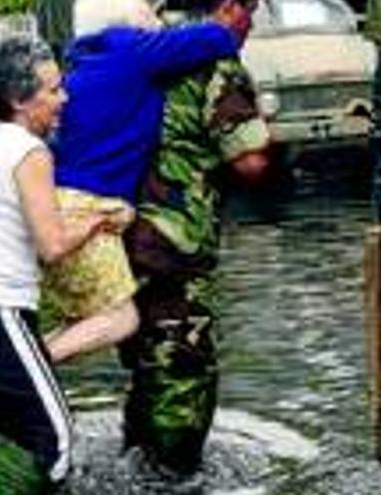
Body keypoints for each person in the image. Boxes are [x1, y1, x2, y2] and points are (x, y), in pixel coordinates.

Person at [0, 38, 124, 493]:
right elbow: (53, 245)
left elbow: (25, 225)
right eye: (54, 90)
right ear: (20, 100)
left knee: (24, 434)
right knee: (52, 441)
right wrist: (103, 220)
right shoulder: (29, 152)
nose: (65, 99)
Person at [40, 0, 245, 365]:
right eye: (152, 12)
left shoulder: (83, 61)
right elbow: (215, 38)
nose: (160, 20)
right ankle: (19, 372)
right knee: (121, 319)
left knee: (86, 321)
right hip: (89, 204)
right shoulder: (130, 50)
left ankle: (11, 369)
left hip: (59, 201)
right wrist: (228, 23)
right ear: (131, 22)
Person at [120, 0, 269, 475]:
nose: (252, 23)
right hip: (175, 240)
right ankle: (172, 475)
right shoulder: (217, 62)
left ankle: (135, 464)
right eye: (253, 10)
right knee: (184, 363)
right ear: (229, 7)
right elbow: (249, 160)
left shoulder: (145, 47)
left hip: (120, 233)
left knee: (146, 355)